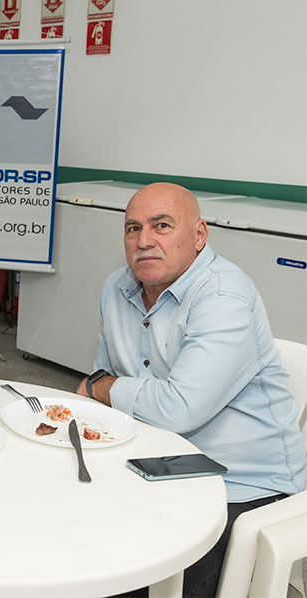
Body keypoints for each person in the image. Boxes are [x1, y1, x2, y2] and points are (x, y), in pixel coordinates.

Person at [76, 182, 306, 597]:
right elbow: (102, 385)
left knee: (132, 585)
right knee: (73, 548)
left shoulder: (223, 296)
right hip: (155, 466)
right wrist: (104, 390)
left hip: (241, 485)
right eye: (133, 228)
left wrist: (105, 389)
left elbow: (176, 407)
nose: (144, 241)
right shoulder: (116, 288)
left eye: (161, 226)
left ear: (199, 235)